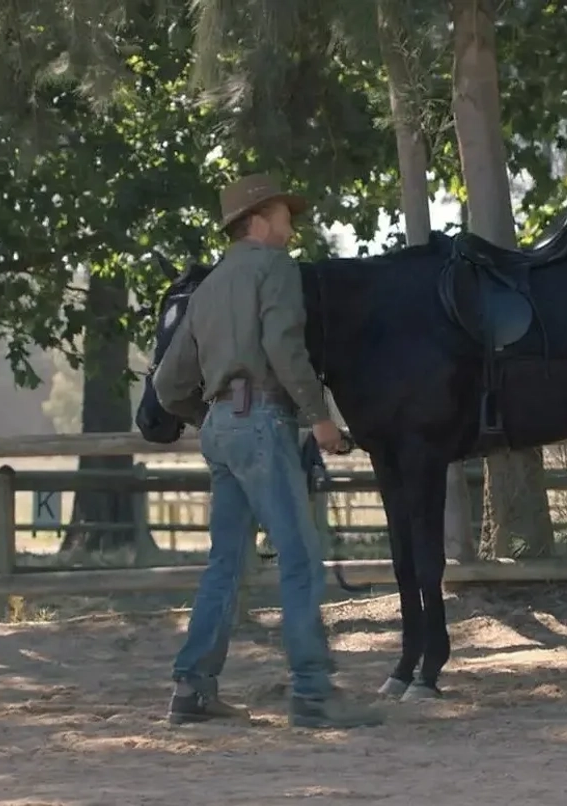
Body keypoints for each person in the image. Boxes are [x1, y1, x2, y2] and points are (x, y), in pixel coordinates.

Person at [151, 173, 383, 729]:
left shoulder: (205, 289)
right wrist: (320, 419)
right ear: (257, 220)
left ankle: (193, 689)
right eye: (285, 215)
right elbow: (284, 344)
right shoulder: (275, 269)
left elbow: (165, 384)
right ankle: (311, 693)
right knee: (300, 559)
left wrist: (213, 418)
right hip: (263, 421)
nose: (291, 226)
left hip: (221, 428)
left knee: (226, 564)